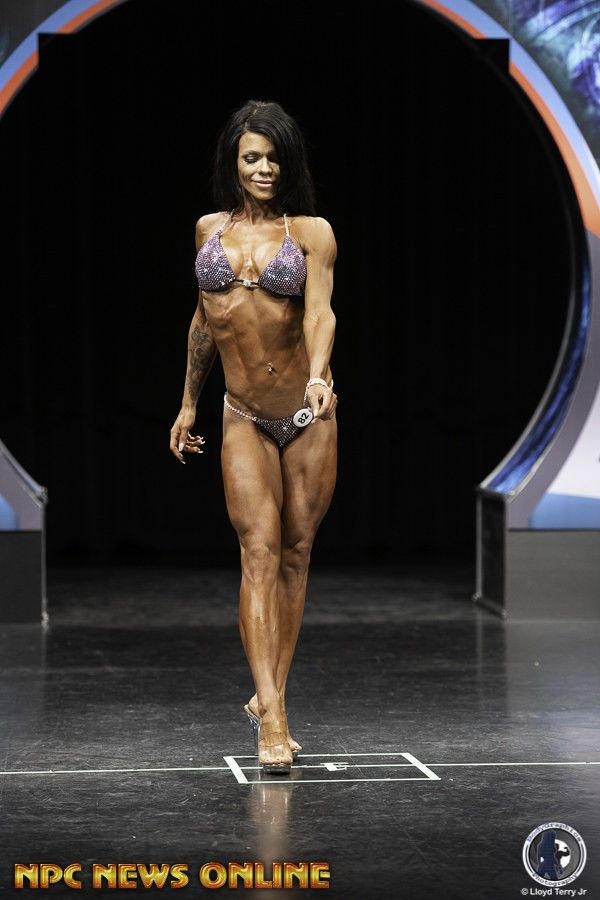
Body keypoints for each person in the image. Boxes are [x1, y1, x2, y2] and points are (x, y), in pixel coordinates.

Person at [169, 100, 338, 775]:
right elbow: (205, 321)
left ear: (288, 164)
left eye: (274, 158)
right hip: (241, 413)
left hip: (306, 414)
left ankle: (272, 692)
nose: (264, 169)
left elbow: (321, 313)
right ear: (234, 164)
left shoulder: (312, 233)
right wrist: (188, 403)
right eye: (252, 158)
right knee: (258, 551)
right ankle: (273, 717)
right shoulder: (208, 231)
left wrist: (320, 375)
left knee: (295, 555)